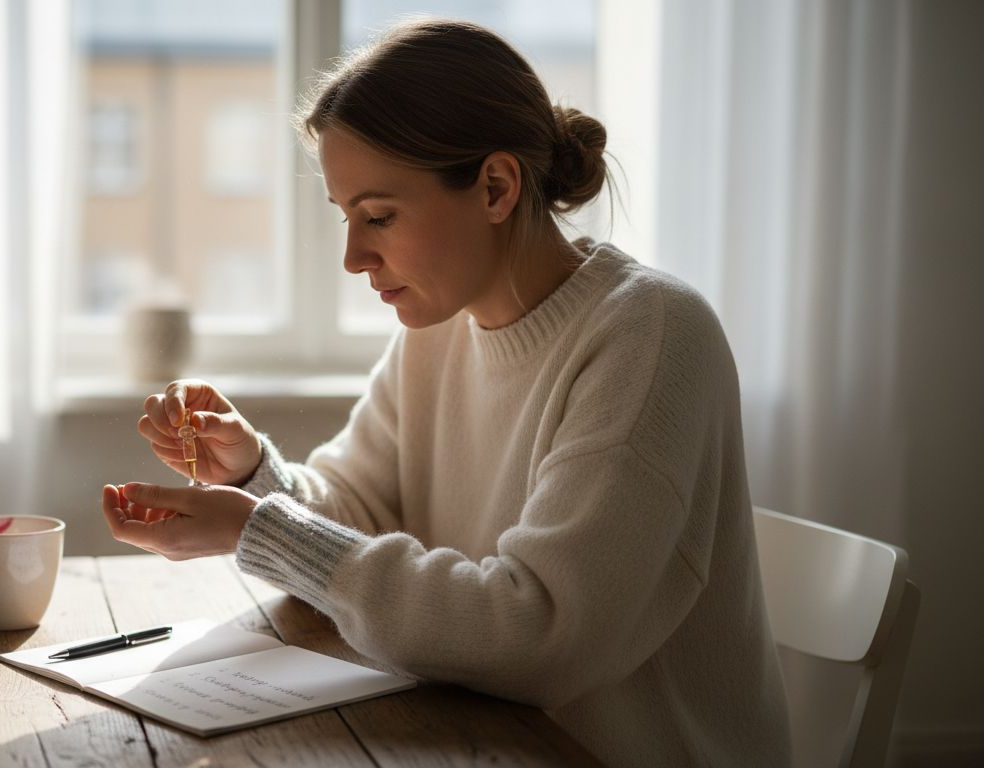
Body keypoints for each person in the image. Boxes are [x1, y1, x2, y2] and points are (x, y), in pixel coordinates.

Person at [99, 18, 790, 766]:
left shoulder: (649, 335)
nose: (354, 256)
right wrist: (251, 476)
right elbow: (355, 513)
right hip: (473, 743)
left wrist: (255, 528)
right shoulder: (437, 328)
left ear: (495, 187)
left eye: (380, 216)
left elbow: (539, 634)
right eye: (346, 217)